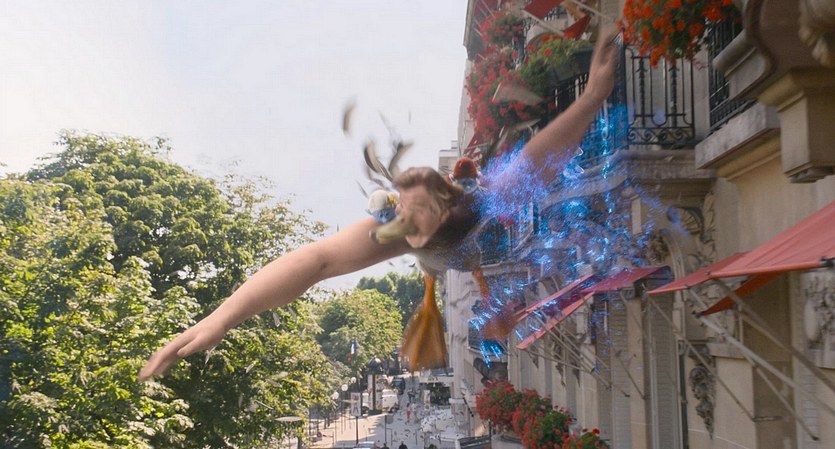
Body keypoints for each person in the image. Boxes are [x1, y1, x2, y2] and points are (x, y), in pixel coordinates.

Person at [137, 27, 620, 382]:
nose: (401, 220)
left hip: (480, 241)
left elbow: (540, 154)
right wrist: (221, 318)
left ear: (446, 200)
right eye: (402, 212)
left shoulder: (483, 198)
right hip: (452, 256)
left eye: (412, 211)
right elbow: (315, 260)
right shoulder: (402, 230)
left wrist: (594, 95)